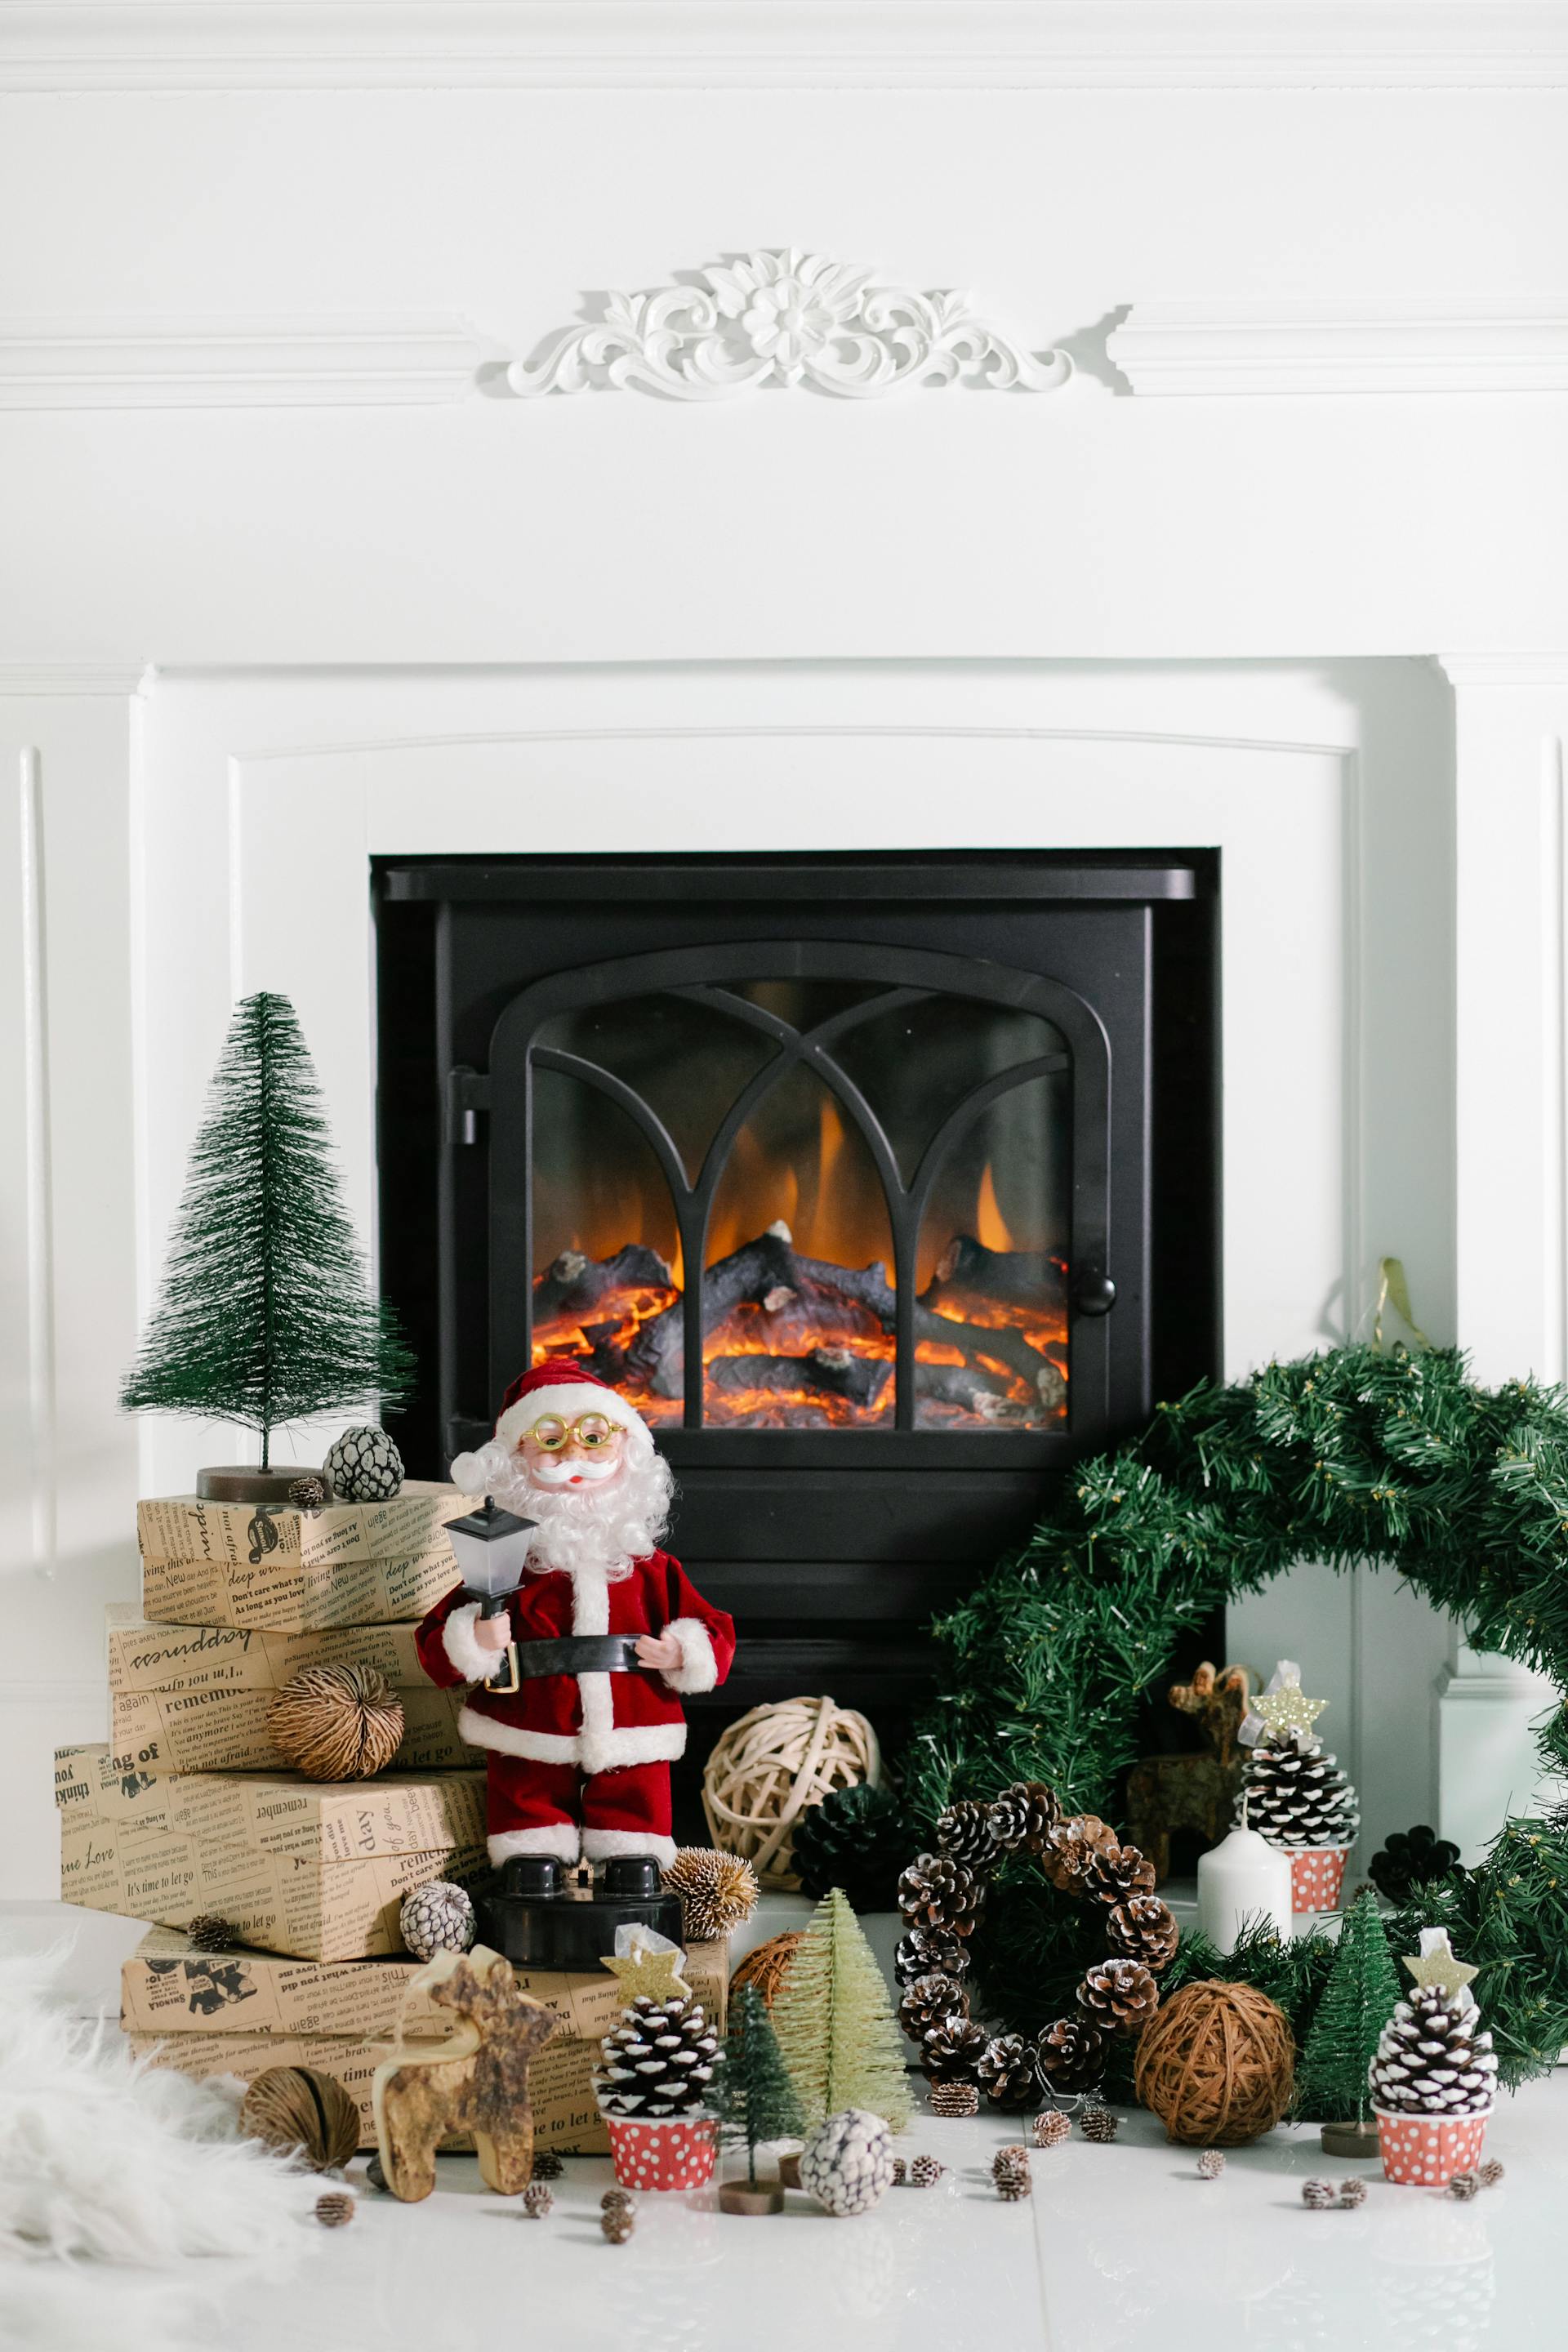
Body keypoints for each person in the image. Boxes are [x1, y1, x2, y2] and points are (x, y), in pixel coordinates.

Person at [416, 1358, 734, 1869]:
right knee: (527, 1800)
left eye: (593, 1437)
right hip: (529, 1725)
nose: (572, 1456)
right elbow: (434, 1644)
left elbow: (714, 1630)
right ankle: (531, 1859)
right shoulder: (504, 1565)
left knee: (635, 1810)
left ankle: (631, 1860)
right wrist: (475, 1636)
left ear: (627, 1451)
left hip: (633, 1724)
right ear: (516, 1462)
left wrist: (683, 1650)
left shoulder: (653, 1570)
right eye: (549, 1440)